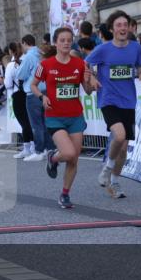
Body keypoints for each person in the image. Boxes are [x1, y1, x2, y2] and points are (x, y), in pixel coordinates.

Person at [85, 11, 141, 199]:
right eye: (118, 25)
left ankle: (114, 181)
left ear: (129, 27)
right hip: (108, 99)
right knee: (119, 135)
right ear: (112, 29)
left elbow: (138, 66)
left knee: (123, 150)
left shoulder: (136, 47)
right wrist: (94, 78)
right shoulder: (103, 49)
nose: (122, 28)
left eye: (125, 25)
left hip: (128, 101)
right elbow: (85, 65)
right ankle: (107, 168)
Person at [32, 27, 93, 209]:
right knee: (68, 153)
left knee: (74, 160)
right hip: (54, 117)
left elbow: (88, 91)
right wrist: (42, 97)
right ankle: (52, 158)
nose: (66, 43)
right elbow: (33, 85)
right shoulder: (46, 65)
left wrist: (89, 81)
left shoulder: (79, 64)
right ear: (56, 43)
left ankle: (65, 194)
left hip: (75, 116)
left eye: (69, 40)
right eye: (62, 40)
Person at [16, 33, 51, 162]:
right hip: (46, 90)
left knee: (36, 124)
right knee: (46, 122)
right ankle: (48, 149)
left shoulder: (29, 56)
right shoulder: (41, 53)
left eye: (22, 45)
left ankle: (39, 151)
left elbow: (21, 74)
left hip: (33, 91)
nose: (22, 47)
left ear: (25, 43)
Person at [5, 39, 36, 159]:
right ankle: (32, 147)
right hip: (30, 92)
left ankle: (29, 148)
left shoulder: (11, 65)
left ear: (11, 51)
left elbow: (7, 84)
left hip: (18, 94)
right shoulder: (29, 60)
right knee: (31, 121)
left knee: (24, 122)